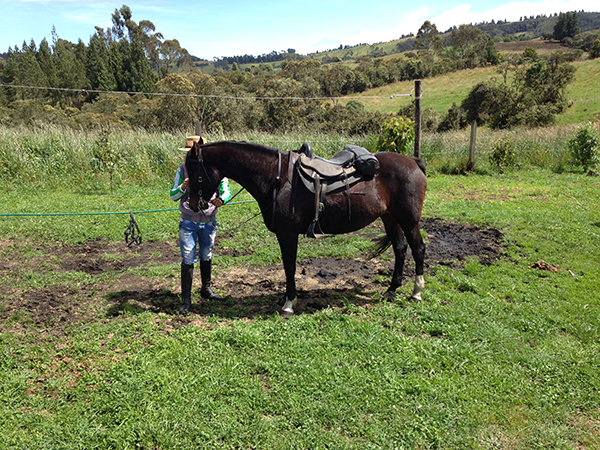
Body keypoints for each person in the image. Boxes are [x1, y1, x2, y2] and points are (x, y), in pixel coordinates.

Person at [170, 135, 231, 315]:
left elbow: (226, 191)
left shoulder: (216, 170)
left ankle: (206, 288)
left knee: (206, 253)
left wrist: (222, 200)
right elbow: (173, 195)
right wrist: (182, 187)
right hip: (188, 221)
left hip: (209, 221)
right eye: (190, 152)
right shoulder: (182, 170)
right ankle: (186, 300)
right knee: (188, 257)